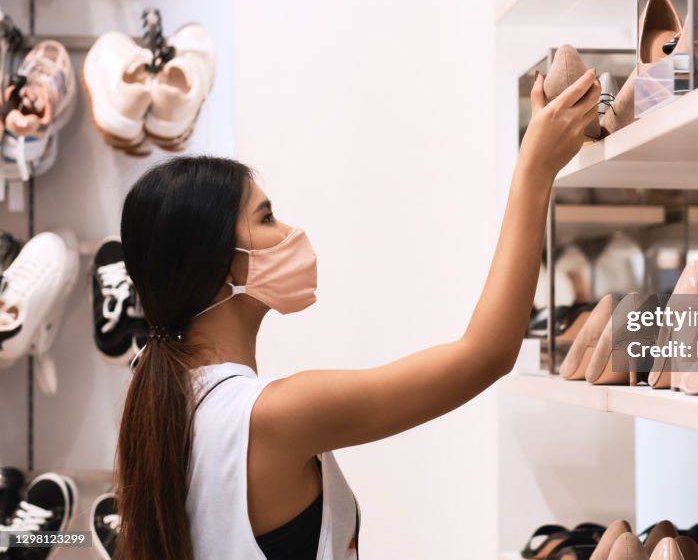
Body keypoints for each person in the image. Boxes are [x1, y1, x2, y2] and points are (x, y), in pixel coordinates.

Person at [114, 68, 599, 560]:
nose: (289, 231)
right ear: (221, 262)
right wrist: (535, 170)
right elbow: (486, 355)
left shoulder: (164, 403)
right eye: (265, 218)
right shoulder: (274, 415)